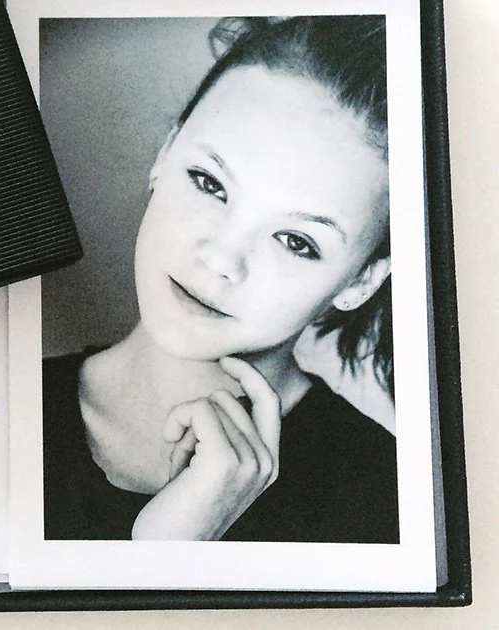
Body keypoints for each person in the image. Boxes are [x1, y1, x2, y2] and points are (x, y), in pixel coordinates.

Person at [43, 15, 398, 543]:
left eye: (297, 241)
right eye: (209, 182)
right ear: (166, 155)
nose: (222, 259)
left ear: (360, 284)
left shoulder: (386, 499)